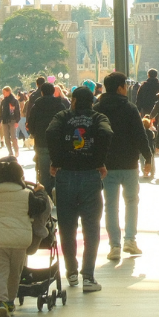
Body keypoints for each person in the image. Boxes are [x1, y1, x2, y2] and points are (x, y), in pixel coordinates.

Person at [46, 85, 112, 292]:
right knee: (91, 227)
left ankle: (72, 273)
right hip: (90, 175)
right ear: (92, 101)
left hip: (64, 175)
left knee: (67, 226)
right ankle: (88, 277)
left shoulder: (62, 116)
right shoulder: (98, 118)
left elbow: (50, 132)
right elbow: (107, 134)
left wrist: (56, 160)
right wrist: (99, 160)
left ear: (73, 101)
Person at [0, 155, 50, 317]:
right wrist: (41, 193)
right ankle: (10, 302)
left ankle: (2, 300)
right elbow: (40, 207)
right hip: (20, 241)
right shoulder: (26, 194)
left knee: (0, 272)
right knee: (14, 273)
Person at [95, 72, 154, 259]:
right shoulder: (129, 108)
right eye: (125, 85)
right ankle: (130, 240)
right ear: (120, 87)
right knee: (131, 202)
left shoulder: (97, 108)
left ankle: (115, 246)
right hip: (129, 163)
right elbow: (140, 134)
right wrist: (148, 157)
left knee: (111, 205)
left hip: (106, 165)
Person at [25, 82, 66, 197]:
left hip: (41, 142)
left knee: (43, 171)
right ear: (54, 92)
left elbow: (31, 126)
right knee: (57, 169)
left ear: (41, 92)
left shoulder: (36, 107)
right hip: (57, 143)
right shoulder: (60, 106)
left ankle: (45, 195)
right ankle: (56, 192)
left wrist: (36, 134)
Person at [0, 86, 21, 157]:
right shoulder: (3, 101)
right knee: (6, 138)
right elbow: (1, 112)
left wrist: (17, 121)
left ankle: (16, 150)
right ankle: (10, 152)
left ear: (9, 92)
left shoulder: (14, 101)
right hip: (4, 120)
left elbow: (17, 111)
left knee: (13, 137)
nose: (3, 93)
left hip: (12, 120)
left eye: (4, 92)